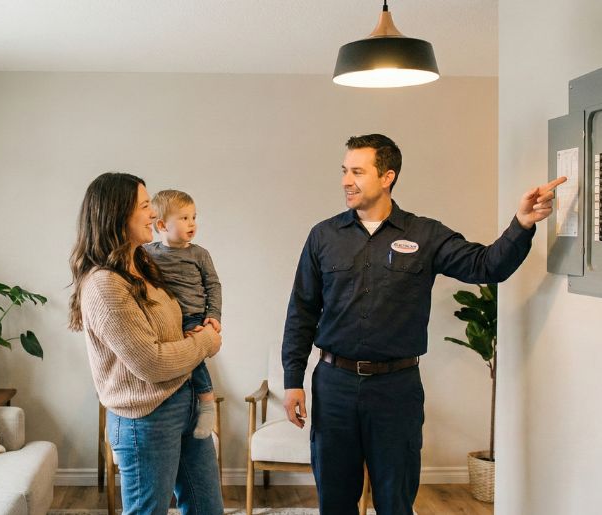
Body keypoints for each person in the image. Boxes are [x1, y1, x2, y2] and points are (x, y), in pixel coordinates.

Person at [281, 134, 566, 515]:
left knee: (395, 500)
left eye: (357, 171)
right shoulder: (323, 235)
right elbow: (302, 309)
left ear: (387, 177)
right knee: (334, 501)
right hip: (334, 386)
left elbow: (486, 266)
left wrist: (522, 224)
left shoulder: (425, 234)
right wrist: (292, 380)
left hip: (396, 390)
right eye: (345, 171)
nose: (346, 180)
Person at [68, 172, 224, 515]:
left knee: (207, 509)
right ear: (117, 215)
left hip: (184, 401)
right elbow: (151, 362)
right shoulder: (105, 286)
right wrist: (207, 342)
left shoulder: (143, 265)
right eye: (144, 206)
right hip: (146, 417)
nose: (153, 214)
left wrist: (199, 330)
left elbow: (170, 332)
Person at [144, 189, 222, 439]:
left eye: (194, 217)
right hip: (163, 319)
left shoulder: (199, 254)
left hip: (192, 316)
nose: (192, 224)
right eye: (184, 218)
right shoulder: (147, 253)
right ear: (162, 225)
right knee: (169, 361)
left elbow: (213, 285)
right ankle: (176, 406)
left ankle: (207, 402)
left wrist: (214, 315)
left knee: (194, 357)